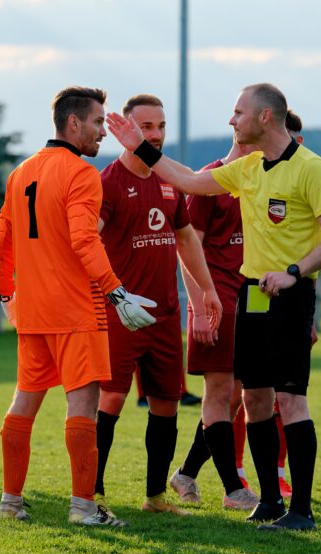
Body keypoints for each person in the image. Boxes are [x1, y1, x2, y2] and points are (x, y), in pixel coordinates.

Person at [106, 83, 321, 530]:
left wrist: (294, 272)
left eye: (238, 112)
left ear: (265, 118)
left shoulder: (312, 168)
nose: (231, 120)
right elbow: (188, 181)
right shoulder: (250, 166)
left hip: (291, 295)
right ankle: (271, 502)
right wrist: (140, 147)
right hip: (251, 295)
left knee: (291, 401)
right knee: (254, 398)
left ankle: (302, 511)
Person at [0, 86, 157, 527]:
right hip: (76, 310)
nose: (103, 131)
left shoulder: (20, 172)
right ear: (73, 124)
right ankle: (84, 508)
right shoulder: (82, 174)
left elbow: (1, 242)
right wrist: (116, 291)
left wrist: (7, 296)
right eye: (98, 122)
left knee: (23, 404)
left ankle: (10, 502)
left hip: (32, 313)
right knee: (82, 407)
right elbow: (85, 240)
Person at [94, 93, 223, 517]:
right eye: (147, 127)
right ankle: (91, 491)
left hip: (165, 315)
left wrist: (206, 290)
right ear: (125, 129)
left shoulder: (171, 181)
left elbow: (186, 239)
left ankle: (155, 497)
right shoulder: (108, 182)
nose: (155, 134)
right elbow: (87, 241)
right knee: (109, 401)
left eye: (161, 126)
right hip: (120, 314)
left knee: (167, 404)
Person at [172, 136, 263, 510]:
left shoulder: (263, 177)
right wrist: (198, 308)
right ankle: (234, 490)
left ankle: (185, 474)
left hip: (253, 300)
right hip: (217, 300)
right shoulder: (210, 180)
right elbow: (188, 248)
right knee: (219, 394)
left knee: (234, 401)